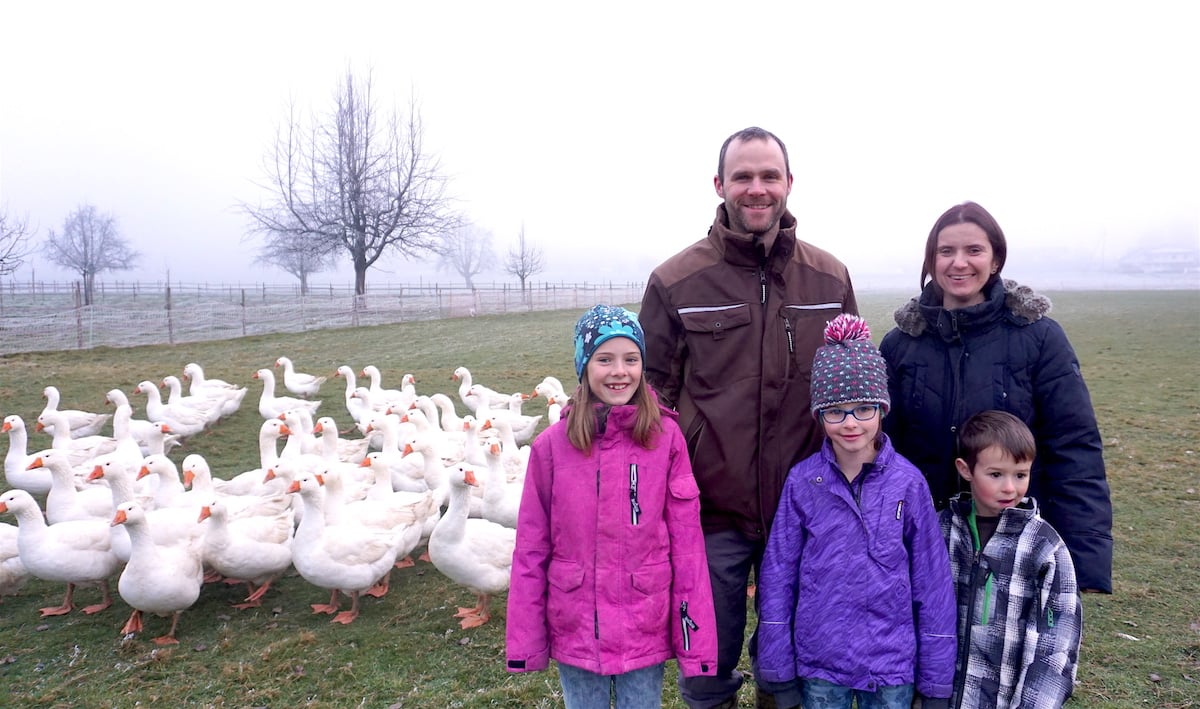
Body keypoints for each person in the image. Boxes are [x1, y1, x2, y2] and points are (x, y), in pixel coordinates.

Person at [639, 126, 858, 709]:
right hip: (709, 512)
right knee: (705, 667)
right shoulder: (676, 281)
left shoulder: (829, 279)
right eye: (743, 176)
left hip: (806, 507)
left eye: (769, 176)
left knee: (787, 666)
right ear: (720, 184)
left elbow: (853, 391)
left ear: (788, 183)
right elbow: (650, 397)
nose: (756, 189)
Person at [878, 201, 1113, 594]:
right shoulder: (902, 344)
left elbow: (1074, 446)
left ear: (996, 259)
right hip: (924, 541)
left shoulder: (1039, 339)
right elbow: (883, 452)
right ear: (931, 260)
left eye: (974, 250)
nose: (959, 263)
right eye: (946, 251)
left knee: (1002, 651)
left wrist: (1084, 559)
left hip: (1017, 544)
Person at [506, 304, 717, 709]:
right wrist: (527, 641)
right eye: (605, 359)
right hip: (577, 626)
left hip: (644, 622)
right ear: (584, 366)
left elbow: (687, 546)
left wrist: (695, 641)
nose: (619, 371)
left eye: (631, 359)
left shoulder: (666, 439)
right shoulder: (551, 448)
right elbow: (531, 549)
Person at [756, 314, 956, 709]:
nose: (850, 424)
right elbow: (778, 578)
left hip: (890, 668)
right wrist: (779, 673)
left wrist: (935, 684)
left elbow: (933, 586)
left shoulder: (908, 484)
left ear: (882, 409)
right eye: (836, 411)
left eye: (864, 408)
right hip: (820, 668)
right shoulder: (802, 483)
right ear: (819, 415)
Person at [940, 410, 1082, 708]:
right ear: (965, 469)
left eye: (1020, 475)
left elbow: (1057, 642)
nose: (1010, 487)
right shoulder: (940, 530)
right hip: (939, 697)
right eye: (996, 475)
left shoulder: (1045, 547)